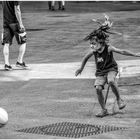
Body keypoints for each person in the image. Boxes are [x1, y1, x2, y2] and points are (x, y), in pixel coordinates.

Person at [75, 15, 140, 118]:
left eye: (93, 43)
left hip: (111, 69)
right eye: (90, 44)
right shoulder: (94, 51)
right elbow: (85, 58)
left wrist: (135, 54)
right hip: (100, 72)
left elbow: (122, 51)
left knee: (110, 81)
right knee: (98, 89)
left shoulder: (108, 48)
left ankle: (119, 99)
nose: (91, 45)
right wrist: (81, 68)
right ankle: (103, 110)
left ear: (100, 42)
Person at [1, 1, 27, 70]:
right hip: (15, 22)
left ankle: (7, 64)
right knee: (23, 41)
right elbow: (17, 10)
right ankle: (19, 62)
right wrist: (21, 23)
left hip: (6, 22)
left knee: (6, 43)